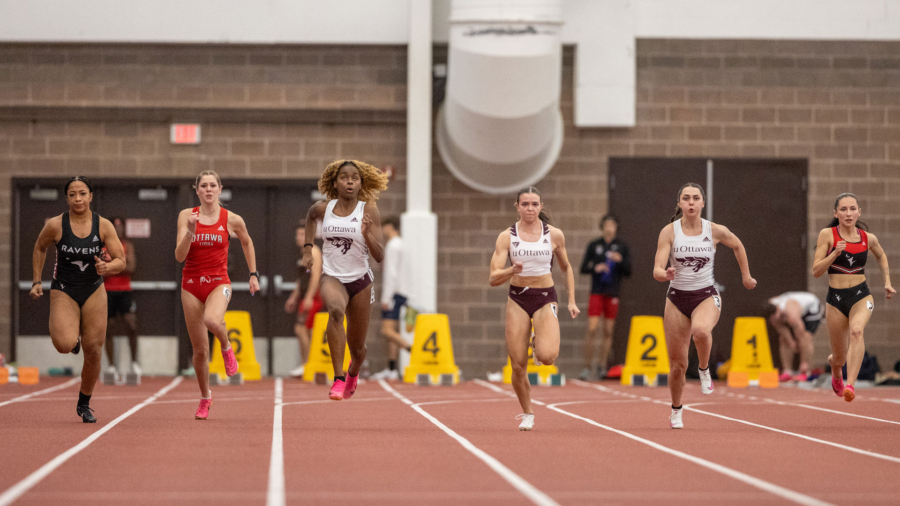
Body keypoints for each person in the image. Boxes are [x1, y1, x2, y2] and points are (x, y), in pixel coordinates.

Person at [653, 182, 756, 429]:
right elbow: (656, 269)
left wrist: (746, 276)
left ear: (702, 203)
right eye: (686, 198)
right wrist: (664, 274)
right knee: (677, 366)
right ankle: (676, 410)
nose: (690, 202)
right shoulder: (669, 231)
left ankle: (704, 368)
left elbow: (738, 246)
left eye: (695, 198)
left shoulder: (714, 230)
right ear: (679, 203)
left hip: (706, 296)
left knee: (701, 331)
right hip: (677, 298)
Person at [29, 176, 126, 423]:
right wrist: (37, 281)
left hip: (93, 288)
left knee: (93, 349)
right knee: (63, 344)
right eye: (72, 194)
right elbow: (40, 247)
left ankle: (84, 403)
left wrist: (108, 267)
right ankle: (73, 341)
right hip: (64, 288)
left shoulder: (103, 226)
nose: (78, 199)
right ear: (67, 198)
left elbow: (121, 260)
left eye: (82, 193)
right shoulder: (55, 225)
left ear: (90, 196)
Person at [489, 187, 580, 431]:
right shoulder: (506, 237)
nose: (530, 209)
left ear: (541, 206)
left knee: (547, 357)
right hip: (518, 298)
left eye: (534, 204)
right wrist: (512, 270)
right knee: (518, 364)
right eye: (525, 204)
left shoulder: (554, 235)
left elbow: (567, 268)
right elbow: (493, 277)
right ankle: (527, 412)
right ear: (517, 206)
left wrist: (571, 300)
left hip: (544, 297)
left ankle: (536, 338)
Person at [176, 170, 260, 420]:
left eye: (213, 185)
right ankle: (205, 398)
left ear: (220, 189)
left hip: (218, 282)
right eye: (204, 185)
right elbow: (179, 256)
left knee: (213, 320)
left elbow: (247, 242)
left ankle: (225, 346)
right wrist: (191, 230)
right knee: (200, 351)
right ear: (197, 190)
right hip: (191, 284)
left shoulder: (232, 219)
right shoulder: (186, 216)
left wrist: (253, 274)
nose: (209, 189)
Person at [302, 159, 388, 400]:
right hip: (332, 276)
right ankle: (338, 378)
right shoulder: (323, 208)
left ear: (361, 184)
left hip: (360, 280)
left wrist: (366, 234)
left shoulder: (368, 210)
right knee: (336, 311)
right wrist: (308, 249)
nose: (349, 181)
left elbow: (380, 256)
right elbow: (310, 217)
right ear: (335, 183)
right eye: (344, 177)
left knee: (358, 349)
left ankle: (353, 371)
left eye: (354, 178)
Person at [812, 192, 894, 402]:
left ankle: (850, 385)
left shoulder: (868, 238)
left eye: (852, 209)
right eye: (843, 209)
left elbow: (882, 255)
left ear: (859, 212)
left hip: (860, 295)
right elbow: (816, 271)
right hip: (836, 300)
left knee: (857, 331)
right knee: (839, 357)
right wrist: (833, 254)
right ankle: (836, 369)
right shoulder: (827, 235)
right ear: (836, 213)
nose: (848, 214)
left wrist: (887, 282)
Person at [579, 214, 631, 380]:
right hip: (596, 291)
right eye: (607, 225)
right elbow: (583, 268)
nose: (609, 228)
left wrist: (620, 261)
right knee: (592, 328)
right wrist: (596, 267)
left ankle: (602, 366)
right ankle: (587, 367)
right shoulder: (594, 245)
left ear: (616, 228)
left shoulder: (621, 247)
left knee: (608, 331)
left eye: (612, 225)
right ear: (602, 227)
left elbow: (629, 271)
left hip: (613, 292)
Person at [371, 215, 412, 381]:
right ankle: (392, 368)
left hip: (394, 293)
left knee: (386, 331)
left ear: (390, 227)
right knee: (392, 330)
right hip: (401, 292)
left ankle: (412, 348)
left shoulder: (392, 246)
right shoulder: (402, 245)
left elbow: (391, 274)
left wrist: (386, 297)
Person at [102, 217, 141, 377]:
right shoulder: (102, 247)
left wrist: (111, 265)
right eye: (114, 227)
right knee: (108, 328)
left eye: (120, 227)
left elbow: (131, 267)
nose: (118, 230)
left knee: (131, 325)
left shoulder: (127, 246)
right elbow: (101, 271)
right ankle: (111, 366)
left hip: (124, 291)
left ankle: (134, 363)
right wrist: (119, 264)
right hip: (107, 291)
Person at [285, 224, 323, 378]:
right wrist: (294, 297)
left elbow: (315, 275)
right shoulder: (304, 252)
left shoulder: (313, 251)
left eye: (303, 234)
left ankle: (307, 364)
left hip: (314, 297)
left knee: (301, 329)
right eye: (298, 234)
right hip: (306, 295)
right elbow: (302, 279)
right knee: (306, 330)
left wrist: (308, 297)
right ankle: (307, 363)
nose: (299, 238)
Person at [766, 292, 823, 382]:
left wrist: (803, 360)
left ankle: (805, 371)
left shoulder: (791, 312)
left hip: (812, 309)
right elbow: (783, 331)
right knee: (783, 339)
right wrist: (791, 342)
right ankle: (787, 371)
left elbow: (801, 336)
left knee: (806, 336)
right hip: (793, 310)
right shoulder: (772, 312)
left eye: (777, 317)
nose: (776, 320)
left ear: (778, 310)